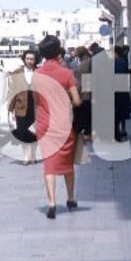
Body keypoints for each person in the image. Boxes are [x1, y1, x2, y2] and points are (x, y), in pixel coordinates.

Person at [33, 34, 81, 219]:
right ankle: (70, 198)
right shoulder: (66, 73)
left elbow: (37, 101)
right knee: (67, 163)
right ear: (58, 51)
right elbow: (76, 101)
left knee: (49, 165)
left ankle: (52, 203)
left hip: (45, 124)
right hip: (64, 124)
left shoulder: (37, 75)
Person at [7, 47, 39, 165]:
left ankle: (34, 154)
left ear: (35, 60)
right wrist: (10, 109)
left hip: (35, 107)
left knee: (35, 132)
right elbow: (12, 91)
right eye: (28, 58)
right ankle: (26, 155)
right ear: (24, 59)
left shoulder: (39, 72)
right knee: (22, 132)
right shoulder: (17, 72)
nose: (30, 61)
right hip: (21, 106)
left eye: (32, 59)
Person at [71, 45, 92, 140]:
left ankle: (86, 133)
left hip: (85, 94)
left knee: (83, 115)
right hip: (89, 94)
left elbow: (81, 82)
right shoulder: (89, 62)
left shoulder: (83, 65)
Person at [114, 45, 131, 141]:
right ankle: (122, 130)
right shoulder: (121, 61)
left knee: (119, 113)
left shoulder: (119, 62)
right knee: (121, 113)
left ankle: (120, 132)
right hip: (121, 91)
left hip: (119, 92)